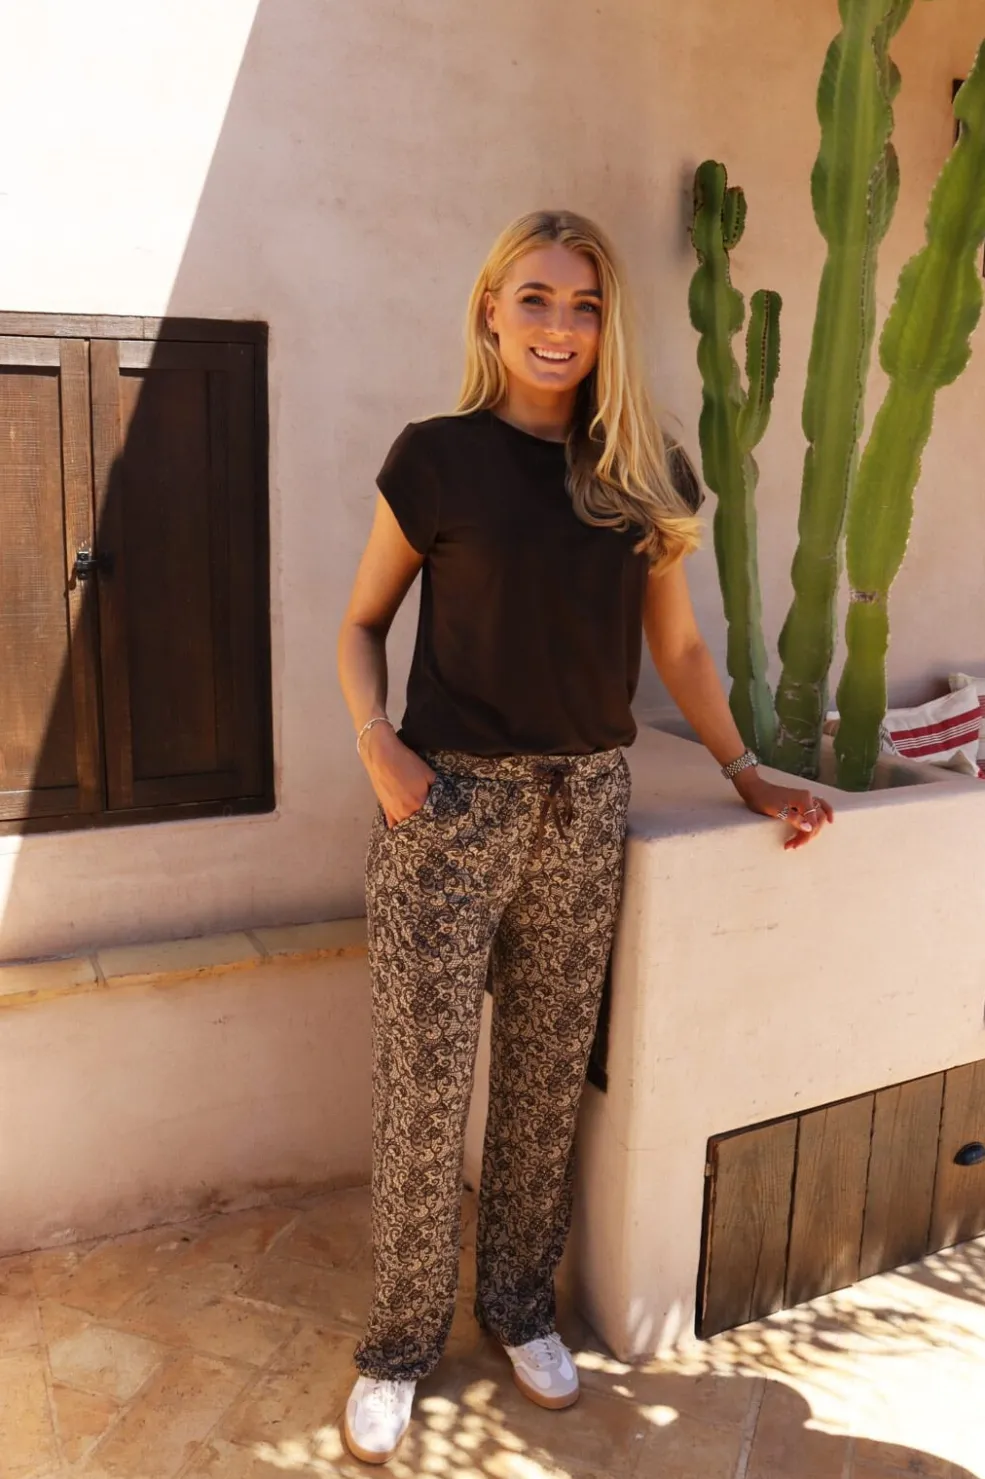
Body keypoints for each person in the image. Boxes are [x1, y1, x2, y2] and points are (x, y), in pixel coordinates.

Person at [336, 209, 833, 1464]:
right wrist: (378, 744)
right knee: (422, 1090)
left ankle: (517, 1310)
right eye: (536, 299)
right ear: (491, 310)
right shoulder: (436, 457)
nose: (559, 327)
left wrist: (744, 771)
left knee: (546, 1082)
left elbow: (680, 648)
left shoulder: (643, 469)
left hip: (583, 805)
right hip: (445, 807)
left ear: (609, 325)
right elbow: (361, 623)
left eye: (586, 305)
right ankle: (396, 1348)